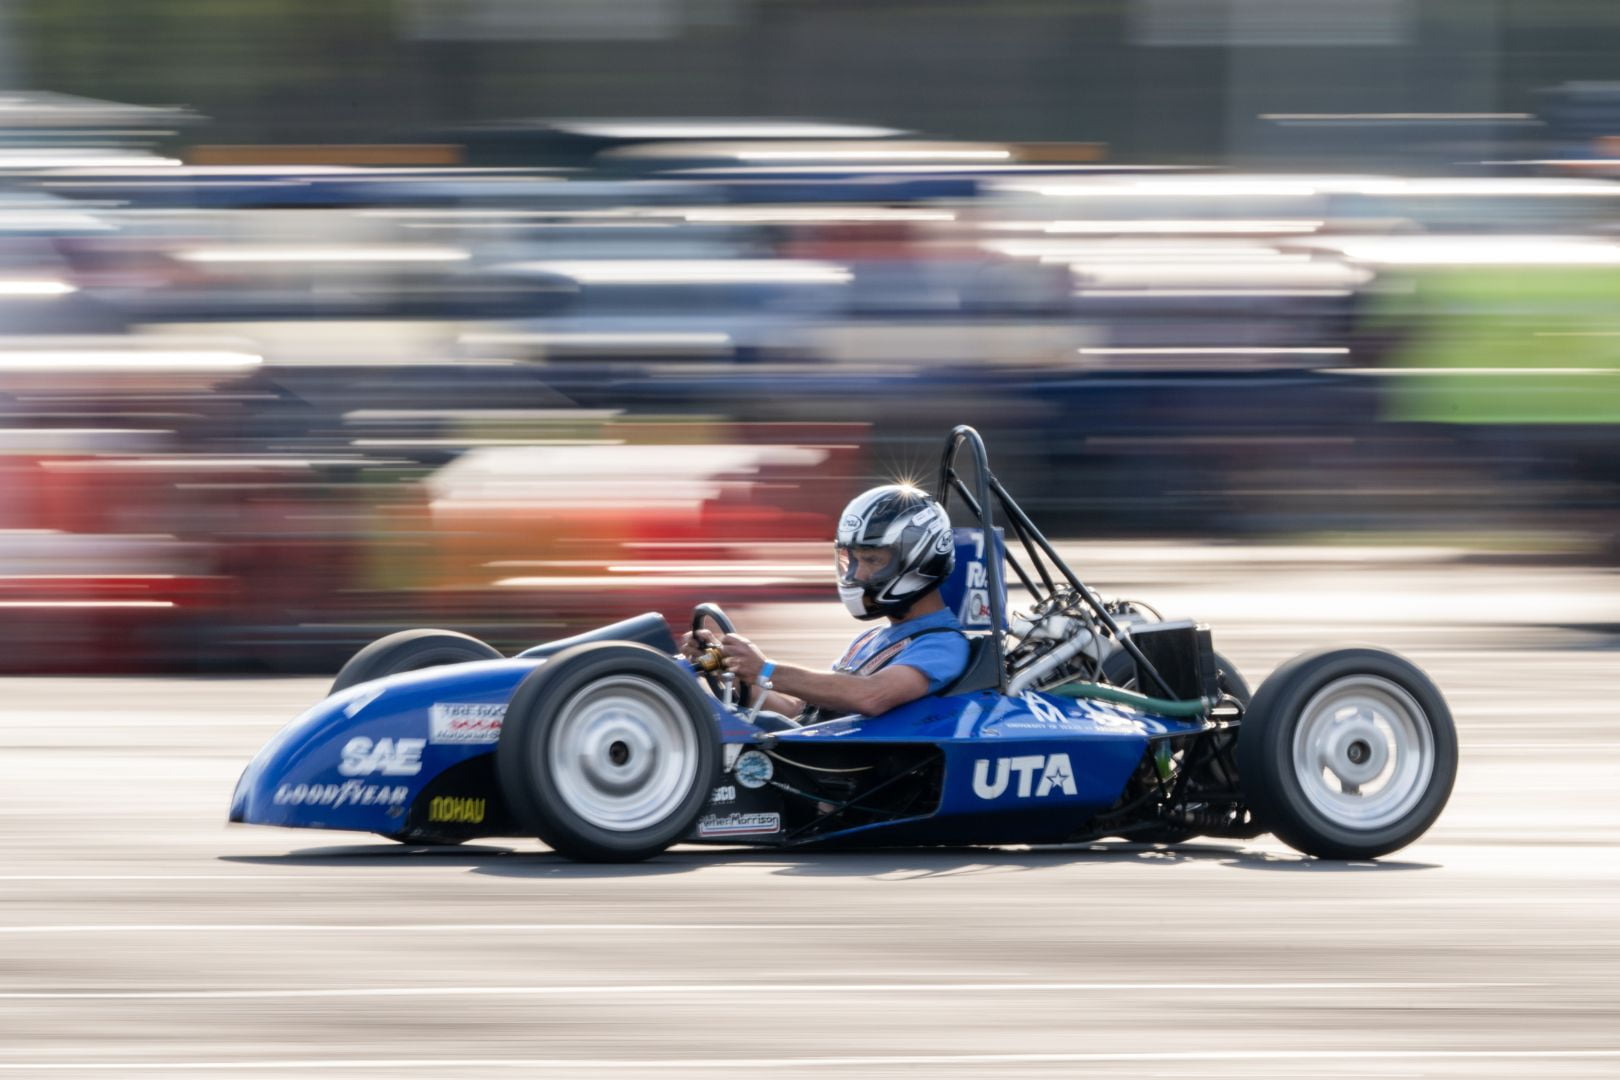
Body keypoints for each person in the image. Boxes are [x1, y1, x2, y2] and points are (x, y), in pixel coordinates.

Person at [681, 485, 970, 722]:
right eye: (853, 560)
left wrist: (765, 669)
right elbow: (802, 715)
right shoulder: (870, 640)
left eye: (872, 560)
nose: (858, 574)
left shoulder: (942, 644)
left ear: (919, 559)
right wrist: (730, 666)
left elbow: (872, 696)